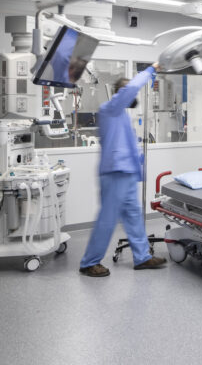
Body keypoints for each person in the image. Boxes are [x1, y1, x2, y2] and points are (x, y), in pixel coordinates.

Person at [79, 63, 167, 277]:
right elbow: (129, 90)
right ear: (121, 93)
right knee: (108, 219)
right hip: (114, 173)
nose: (133, 95)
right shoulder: (110, 108)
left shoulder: (122, 116)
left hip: (126, 173)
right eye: (129, 91)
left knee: (134, 216)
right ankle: (89, 262)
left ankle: (142, 257)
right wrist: (150, 70)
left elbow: (125, 144)